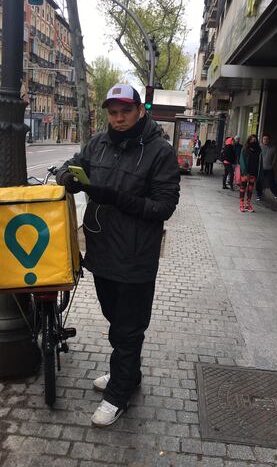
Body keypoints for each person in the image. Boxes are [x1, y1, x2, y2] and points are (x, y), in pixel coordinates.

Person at [56, 83, 180, 427]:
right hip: (100, 250)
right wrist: (68, 175)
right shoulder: (99, 143)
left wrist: (114, 197)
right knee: (116, 322)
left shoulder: (160, 152)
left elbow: (164, 206)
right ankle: (129, 375)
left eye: (126, 111)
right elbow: (75, 162)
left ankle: (118, 394)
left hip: (136, 257)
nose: (119, 118)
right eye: (113, 112)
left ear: (141, 110)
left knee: (127, 329)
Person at [239, 134, 262, 213]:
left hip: (254, 172)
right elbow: (241, 160)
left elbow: (260, 162)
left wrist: (259, 172)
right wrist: (244, 172)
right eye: (252, 139)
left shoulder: (258, 149)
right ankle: (241, 204)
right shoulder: (245, 148)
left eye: (255, 139)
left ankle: (248, 204)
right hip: (245, 172)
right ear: (249, 140)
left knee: (250, 189)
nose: (253, 141)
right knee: (243, 187)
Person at [256, 134, 277, 201]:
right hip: (260, 169)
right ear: (262, 140)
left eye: (267, 139)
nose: (266, 140)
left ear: (269, 140)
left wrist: (272, 165)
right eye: (264, 139)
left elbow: (274, 157)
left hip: (269, 168)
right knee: (259, 182)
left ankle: (276, 194)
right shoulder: (259, 147)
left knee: (272, 181)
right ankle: (259, 195)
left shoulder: (272, 148)